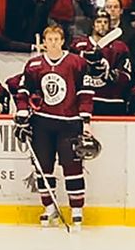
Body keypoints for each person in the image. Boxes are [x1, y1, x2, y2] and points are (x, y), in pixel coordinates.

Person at [14, 24, 92, 229]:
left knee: (72, 167)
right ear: (44, 42)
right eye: (49, 40)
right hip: (42, 123)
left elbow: (85, 93)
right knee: (43, 168)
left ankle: (76, 209)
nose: (53, 43)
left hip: (69, 124)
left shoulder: (77, 63)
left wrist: (85, 120)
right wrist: (22, 112)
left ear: (62, 41)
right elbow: (22, 91)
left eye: (57, 39)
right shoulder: (34, 65)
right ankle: (49, 207)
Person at [70, 10, 132, 115]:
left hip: (111, 102)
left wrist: (110, 74)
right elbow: (70, 71)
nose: (102, 25)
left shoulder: (120, 47)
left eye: (105, 22)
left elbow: (126, 76)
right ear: (93, 25)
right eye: (99, 22)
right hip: (85, 101)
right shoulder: (78, 45)